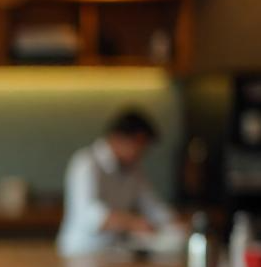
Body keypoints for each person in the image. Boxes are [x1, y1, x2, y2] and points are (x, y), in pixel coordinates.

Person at [57, 108, 179, 256]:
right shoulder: (86, 163)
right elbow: (88, 214)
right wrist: (131, 222)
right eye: (138, 145)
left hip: (114, 253)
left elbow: (152, 206)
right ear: (118, 138)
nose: (141, 153)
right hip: (80, 252)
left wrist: (174, 224)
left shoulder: (134, 170)